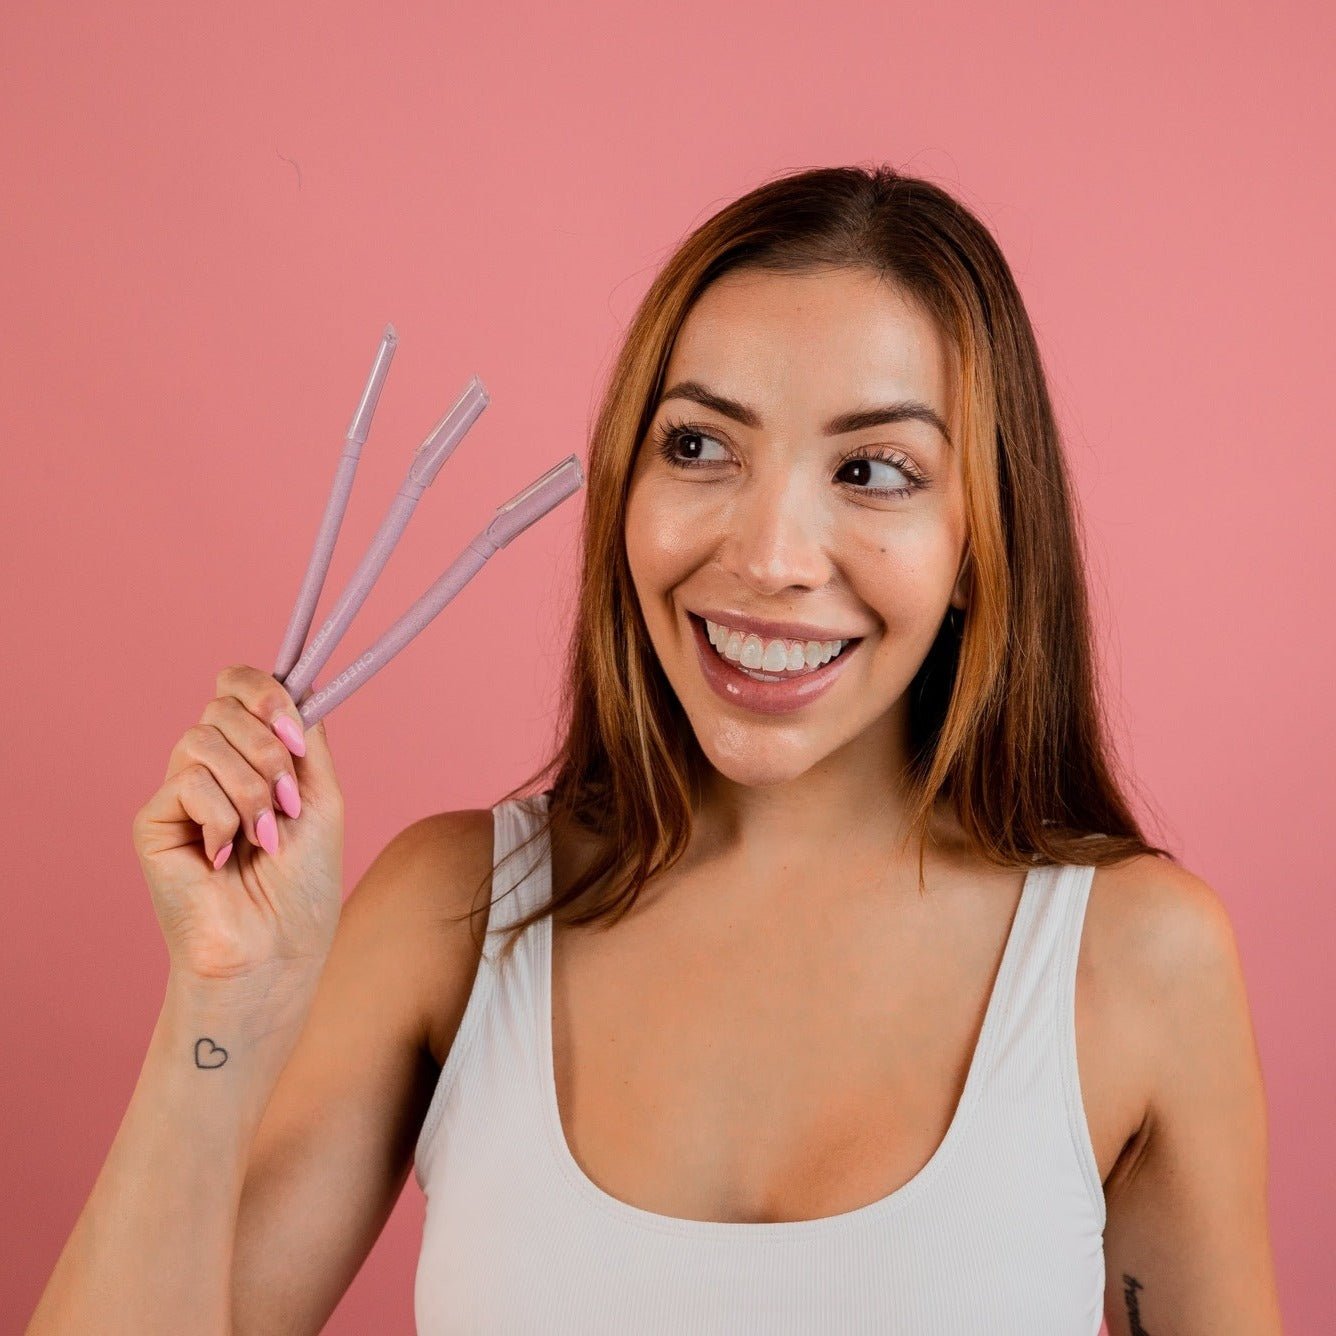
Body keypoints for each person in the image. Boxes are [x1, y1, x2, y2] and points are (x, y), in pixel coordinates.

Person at [29, 165, 1283, 1334]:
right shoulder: (457, 915)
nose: (769, 555)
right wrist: (223, 1004)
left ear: (981, 539)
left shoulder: (1135, 961)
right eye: (698, 446)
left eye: (873, 468)